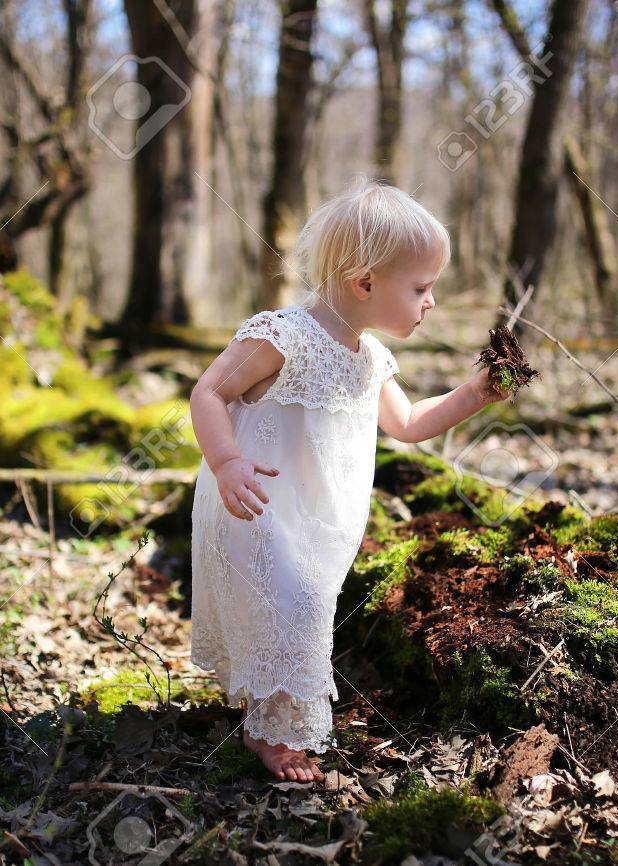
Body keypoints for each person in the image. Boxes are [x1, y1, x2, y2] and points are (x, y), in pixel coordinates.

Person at [188, 177, 515, 782]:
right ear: (365, 281)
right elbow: (209, 389)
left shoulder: (370, 359)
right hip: (255, 503)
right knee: (298, 603)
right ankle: (272, 735)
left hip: (315, 517)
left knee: (304, 602)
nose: (431, 302)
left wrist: (475, 393)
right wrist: (226, 460)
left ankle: (263, 707)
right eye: (420, 287)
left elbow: (410, 423)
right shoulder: (280, 336)